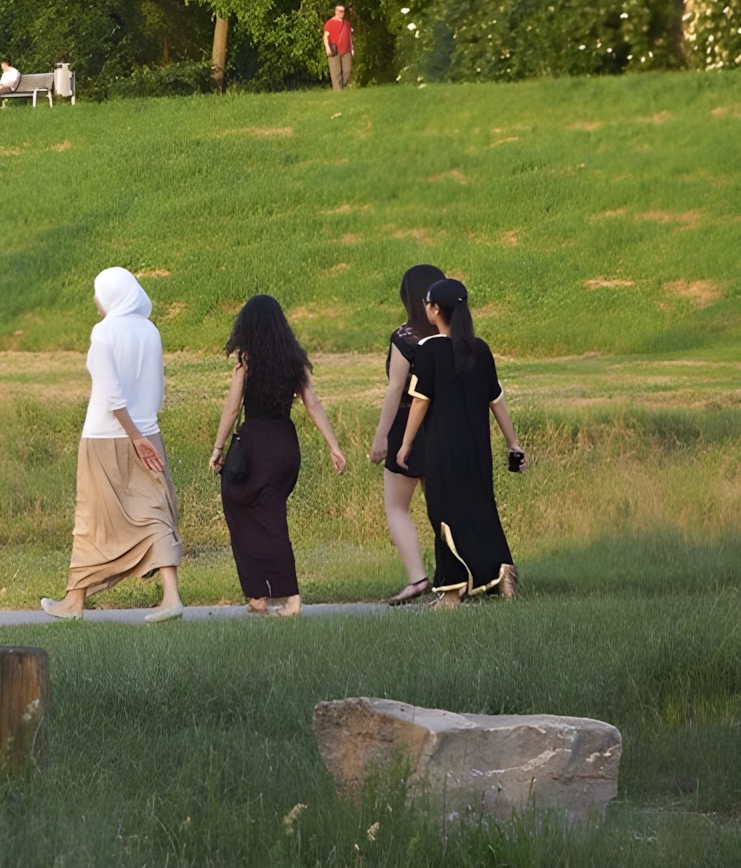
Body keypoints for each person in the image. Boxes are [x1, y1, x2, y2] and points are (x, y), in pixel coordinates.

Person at [43, 267, 184, 623]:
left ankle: (74, 601)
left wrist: (132, 435)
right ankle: (171, 598)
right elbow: (157, 388)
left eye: (98, 292)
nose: (95, 299)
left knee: (92, 516)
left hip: (105, 436)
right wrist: (142, 433)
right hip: (148, 433)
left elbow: (110, 393)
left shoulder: (103, 333)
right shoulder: (151, 331)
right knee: (156, 510)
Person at [207, 294, 347, 616]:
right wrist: (333, 446)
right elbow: (312, 403)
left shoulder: (247, 360)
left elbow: (231, 409)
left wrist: (217, 449)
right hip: (285, 446)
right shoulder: (293, 359)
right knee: (271, 516)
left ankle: (280, 596)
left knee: (240, 505)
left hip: (256, 446)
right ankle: (263, 596)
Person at [394, 277, 525, 604]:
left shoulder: (429, 350)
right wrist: (513, 444)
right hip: (477, 450)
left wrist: (406, 443)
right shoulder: (480, 349)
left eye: (427, 303)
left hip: (444, 450)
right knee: (480, 510)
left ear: (436, 309)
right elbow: (496, 401)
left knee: (444, 515)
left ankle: (452, 593)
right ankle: (501, 570)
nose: (425, 307)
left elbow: (421, 401)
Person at [366, 263, 448, 604]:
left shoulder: (404, 338)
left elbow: (396, 388)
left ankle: (417, 578)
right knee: (443, 508)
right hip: (443, 426)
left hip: (406, 426)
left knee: (397, 508)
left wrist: (381, 437)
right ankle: (454, 577)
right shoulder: (451, 335)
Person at [323, 6, 354, 90]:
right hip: (334, 50)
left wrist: (352, 49)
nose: (342, 13)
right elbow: (325, 37)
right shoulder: (330, 23)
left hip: (346, 50)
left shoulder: (346, 23)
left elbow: (350, 37)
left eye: (343, 11)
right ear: (336, 11)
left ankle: (343, 86)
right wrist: (327, 48)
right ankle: (338, 91)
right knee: (335, 72)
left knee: (347, 70)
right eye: (340, 11)